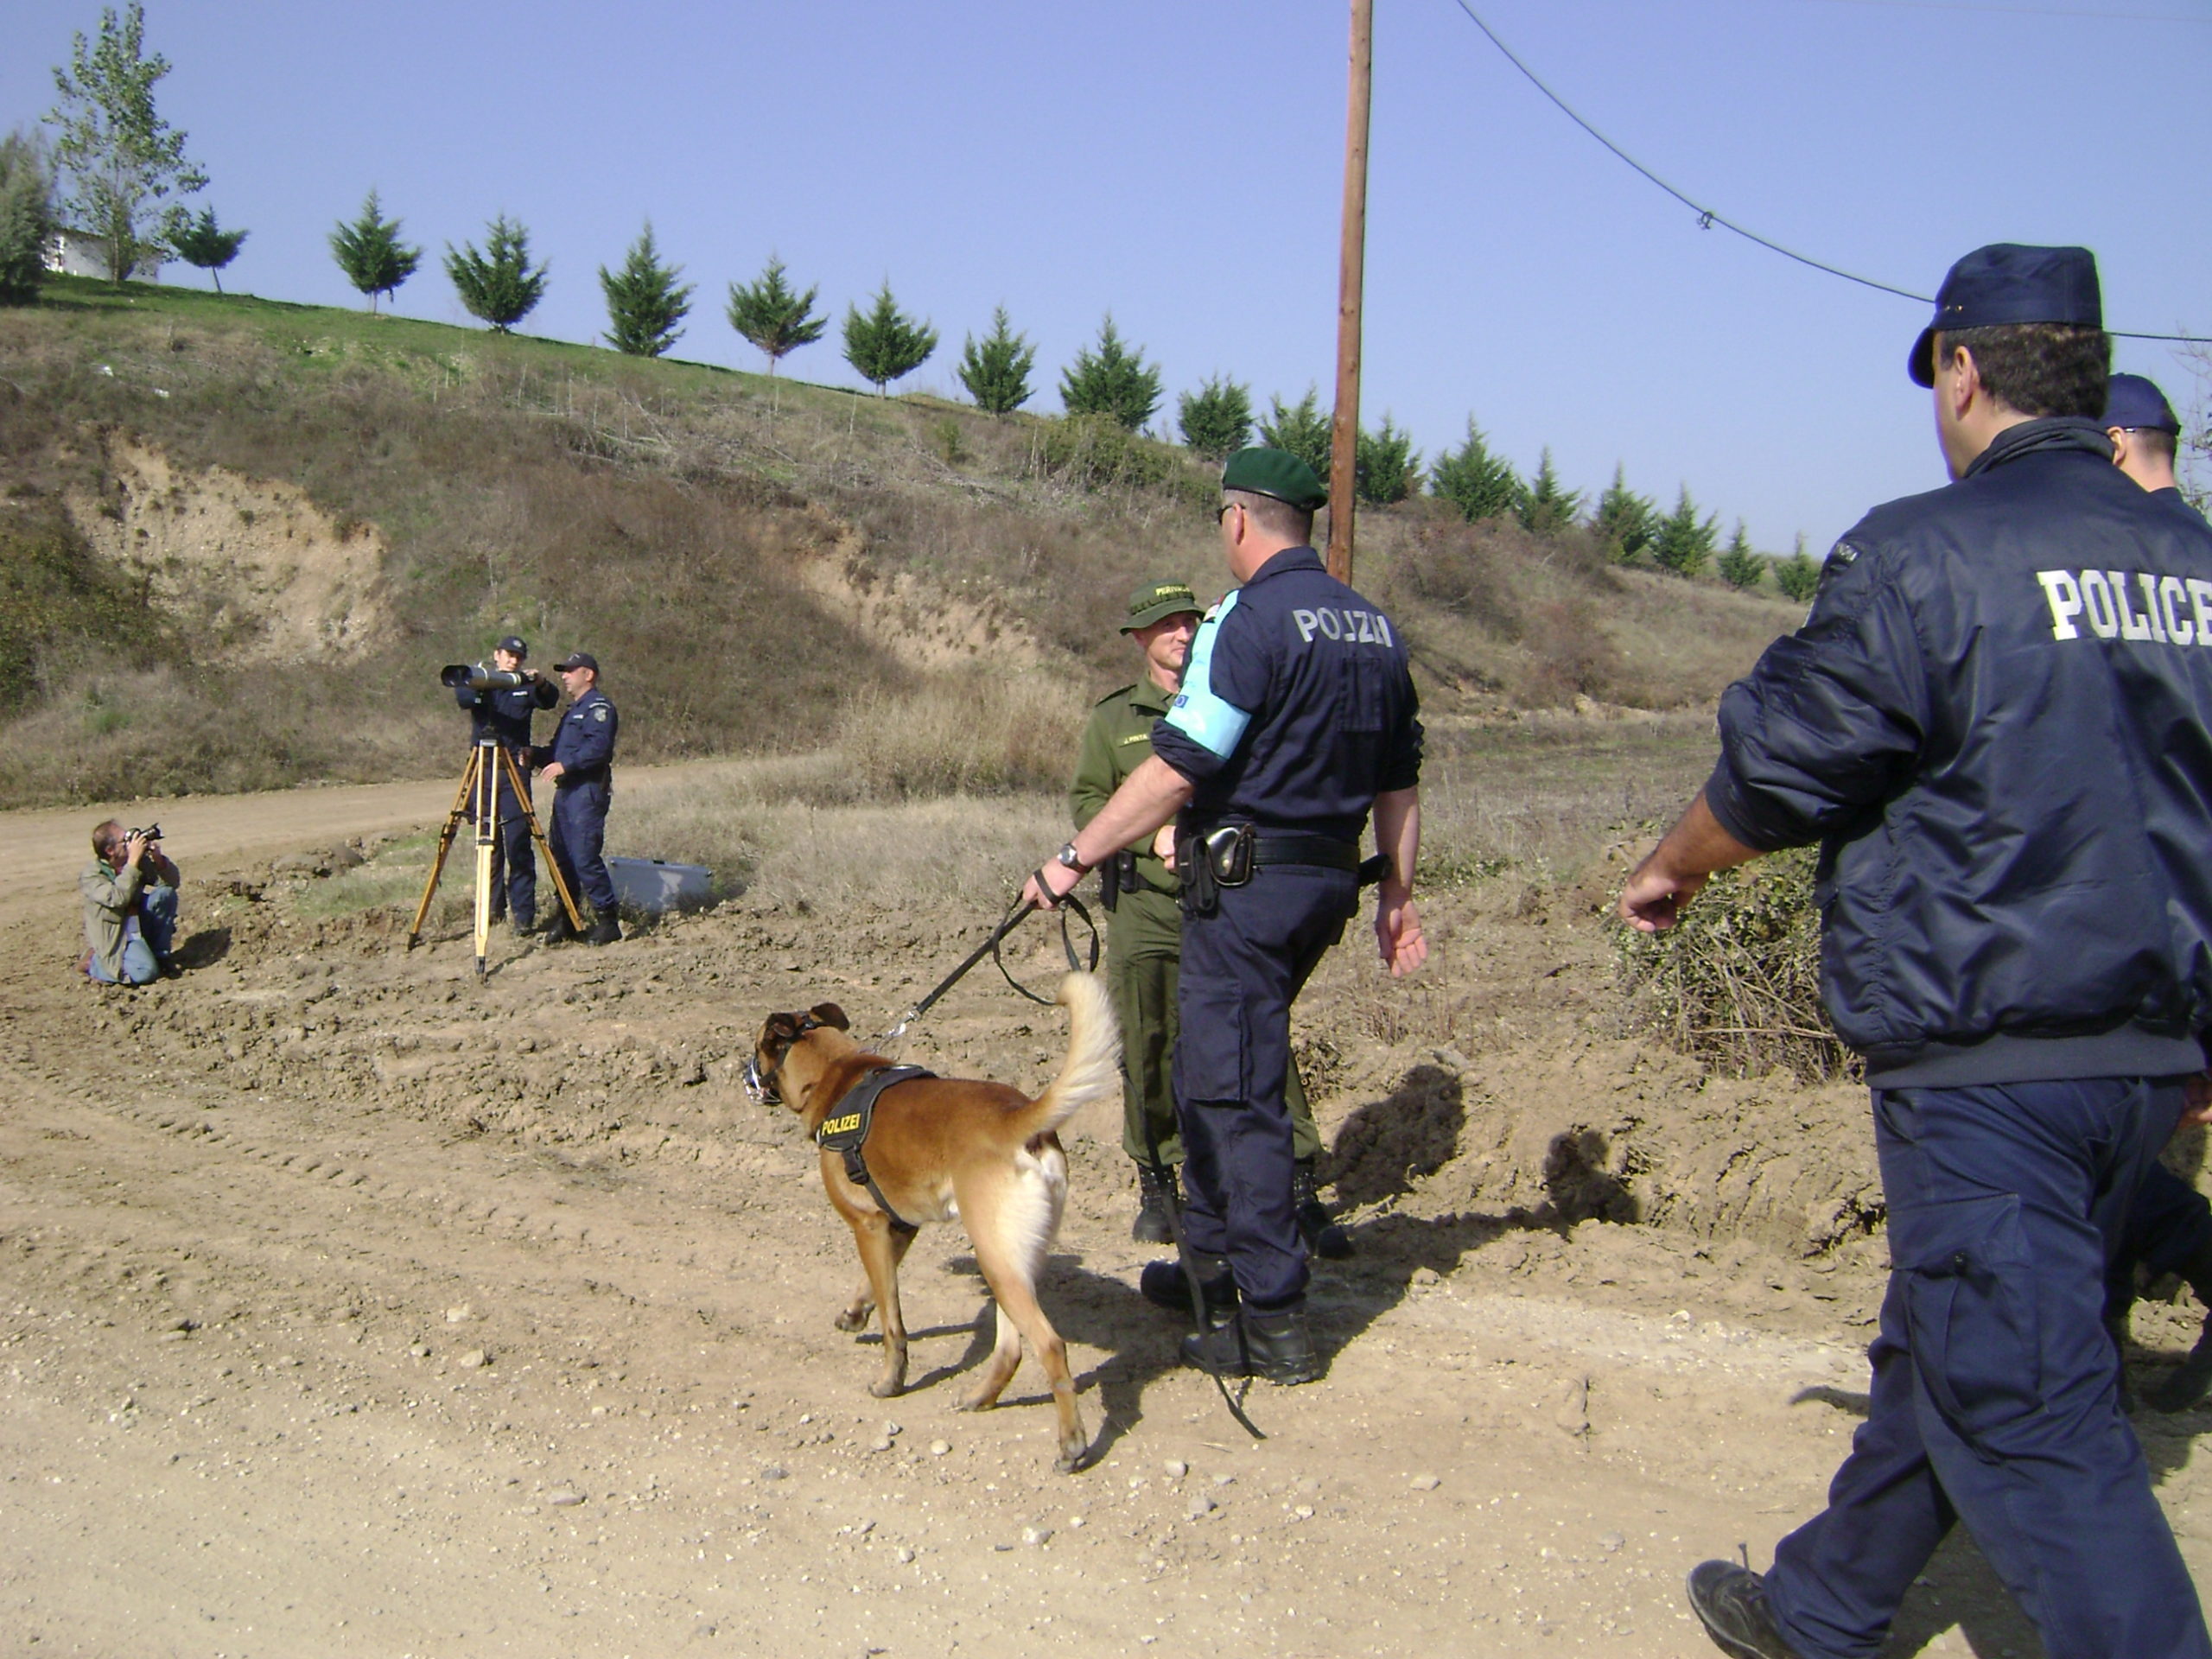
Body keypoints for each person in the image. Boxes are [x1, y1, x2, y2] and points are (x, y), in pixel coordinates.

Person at [1619, 245, 2212, 1659]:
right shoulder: (2194, 569)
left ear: (1963, 367)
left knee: (2043, 1426)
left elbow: (1782, 768)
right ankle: (1822, 1609)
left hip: (1991, 1062)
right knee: (1958, 1337)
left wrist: (1671, 863)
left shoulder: (1928, 553)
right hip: (2146, 1067)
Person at [1024, 448, 1426, 1386]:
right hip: (1325, 886)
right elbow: (1399, 780)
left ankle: (1274, 1319)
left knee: (1234, 1092)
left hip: (1247, 889)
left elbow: (1177, 765)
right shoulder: (1373, 628)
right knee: (1216, 1071)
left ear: (1237, 522)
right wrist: (1398, 895)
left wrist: (1073, 857)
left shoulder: (1247, 618)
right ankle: (1205, 1268)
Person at [1071, 578, 1351, 1255]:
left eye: (1188, 622)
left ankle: (1297, 1181)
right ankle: (1159, 1179)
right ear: (1140, 638)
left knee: (1257, 1037)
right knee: (1149, 1040)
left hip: (1224, 899)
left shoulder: (1236, 694)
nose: (1180, 634)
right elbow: (1088, 802)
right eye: (1164, 625)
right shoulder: (1114, 720)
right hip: (1146, 907)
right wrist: (1150, 838)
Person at [2096, 372, 2212, 1413]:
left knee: (2108, 1170)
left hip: (2148, 938)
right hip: (2188, 932)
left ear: (2119, 444)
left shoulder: (2118, 576)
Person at [452, 634, 559, 937]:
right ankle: (491, 909)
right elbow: (463, 699)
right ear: (496, 655)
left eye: (518, 656)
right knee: (488, 844)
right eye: (508, 655)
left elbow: (550, 700)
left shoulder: (524, 684)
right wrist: (477, 682)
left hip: (515, 769)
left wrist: (537, 682)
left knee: (517, 841)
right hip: (483, 769)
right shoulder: (482, 681)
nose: (513, 660)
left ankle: (523, 916)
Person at [534, 651, 621, 946]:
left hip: (586, 791)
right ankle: (568, 918)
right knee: (561, 859)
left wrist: (566, 766)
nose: (564, 676)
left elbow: (598, 750)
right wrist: (532, 755)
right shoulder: (573, 711)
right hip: (566, 792)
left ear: (589, 674)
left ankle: (608, 920)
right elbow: (556, 752)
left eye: (571, 671)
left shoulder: (599, 708)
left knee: (584, 856)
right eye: (564, 671)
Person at [79, 820, 179, 986]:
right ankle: (93, 963)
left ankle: (160, 956)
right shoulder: (92, 876)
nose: (131, 843)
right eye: (125, 840)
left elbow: (171, 884)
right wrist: (133, 862)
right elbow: (119, 898)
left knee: (165, 894)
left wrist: (159, 861)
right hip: (117, 936)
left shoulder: (136, 862)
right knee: (144, 973)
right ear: (110, 850)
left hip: (137, 922)